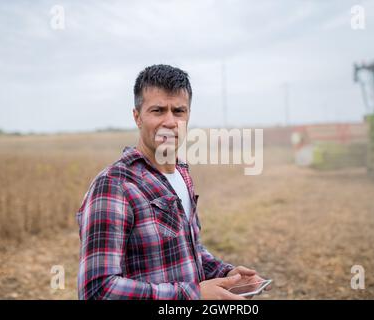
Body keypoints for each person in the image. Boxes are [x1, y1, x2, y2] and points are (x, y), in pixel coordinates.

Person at [76, 64, 269, 300]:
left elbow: (187, 251)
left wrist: (228, 275)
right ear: (137, 117)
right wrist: (193, 295)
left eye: (179, 111)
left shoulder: (181, 173)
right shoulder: (114, 185)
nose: (170, 121)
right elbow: (97, 291)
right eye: (158, 110)